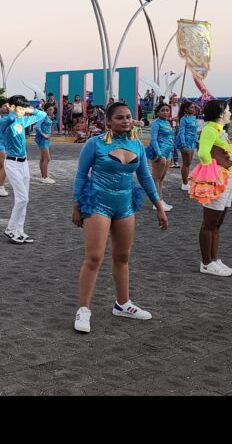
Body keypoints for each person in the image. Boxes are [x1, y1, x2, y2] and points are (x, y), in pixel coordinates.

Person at [71, 102, 169, 333]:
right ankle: (83, 309)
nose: (125, 121)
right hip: (98, 203)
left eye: (128, 117)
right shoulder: (95, 144)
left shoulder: (137, 145)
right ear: (108, 121)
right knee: (94, 257)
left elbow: (145, 177)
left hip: (125, 205)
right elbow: (81, 175)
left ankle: (122, 304)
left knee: (123, 256)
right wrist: (76, 205)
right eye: (119, 118)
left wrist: (159, 205)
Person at [189, 100, 232, 277]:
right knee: (210, 222)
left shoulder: (219, 130)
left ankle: (214, 259)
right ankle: (206, 262)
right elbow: (203, 153)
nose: (230, 113)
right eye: (228, 110)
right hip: (219, 179)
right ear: (220, 113)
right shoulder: (209, 129)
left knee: (217, 222)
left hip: (228, 177)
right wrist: (213, 172)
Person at [0, 95, 47, 244]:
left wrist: (28, 110)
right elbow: (9, 120)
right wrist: (14, 112)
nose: (23, 110)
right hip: (11, 163)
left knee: (24, 199)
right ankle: (10, 229)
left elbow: (42, 115)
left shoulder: (23, 120)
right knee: (23, 198)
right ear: (12, 107)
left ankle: (19, 230)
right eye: (21, 107)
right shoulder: (5, 120)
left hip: (24, 163)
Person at [146, 103, 174, 212]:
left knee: (161, 179)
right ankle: (156, 203)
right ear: (158, 112)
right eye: (163, 110)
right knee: (156, 179)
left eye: (167, 110)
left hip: (168, 153)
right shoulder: (155, 123)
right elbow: (153, 140)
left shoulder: (167, 122)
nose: (166, 112)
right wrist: (159, 153)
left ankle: (160, 200)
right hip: (159, 153)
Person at [175, 101, 198, 191]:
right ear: (186, 109)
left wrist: (196, 141)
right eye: (192, 107)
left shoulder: (193, 118)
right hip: (185, 142)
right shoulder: (183, 119)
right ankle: (184, 183)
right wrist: (184, 145)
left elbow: (195, 131)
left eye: (194, 107)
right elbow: (181, 133)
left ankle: (186, 182)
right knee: (186, 163)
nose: (194, 109)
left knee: (188, 163)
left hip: (192, 142)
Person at [35, 104, 56, 184]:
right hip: (42, 139)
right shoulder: (43, 116)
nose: (51, 111)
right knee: (47, 158)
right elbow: (37, 127)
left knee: (43, 158)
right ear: (46, 110)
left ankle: (43, 176)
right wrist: (43, 134)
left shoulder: (48, 116)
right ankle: (45, 177)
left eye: (52, 109)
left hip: (46, 139)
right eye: (50, 109)